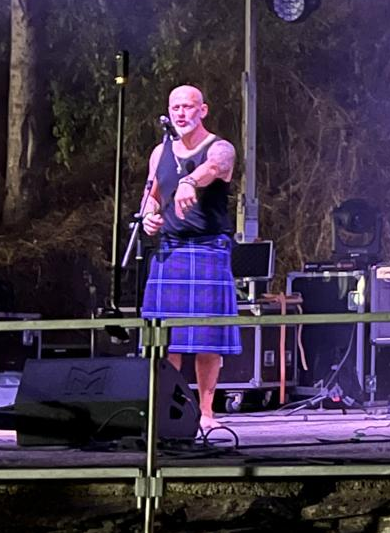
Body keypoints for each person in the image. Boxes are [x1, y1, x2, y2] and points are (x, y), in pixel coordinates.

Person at [139, 85, 241, 432]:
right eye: (175, 107)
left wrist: (189, 182)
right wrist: (150, 215)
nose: (181, 113)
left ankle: (207, 411)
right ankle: (169, 409)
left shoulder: (220, 147)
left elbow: (214, 168)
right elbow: (151, 194)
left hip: (208, 248)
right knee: (165, 337)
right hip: (170, 250)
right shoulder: (159, 152)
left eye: (188, 106)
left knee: (206, 338)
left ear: (203, 110)